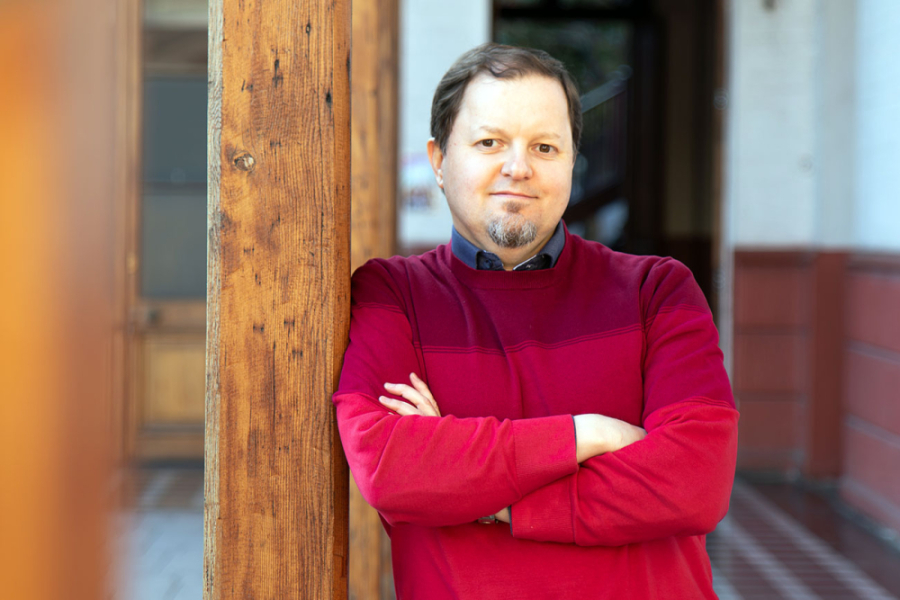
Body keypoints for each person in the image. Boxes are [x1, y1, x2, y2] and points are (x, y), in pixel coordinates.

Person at [333, 42, 738, 599]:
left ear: (572, 162)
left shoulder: (656, 291)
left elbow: (696, 482)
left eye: (545, 146)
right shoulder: (392, 295)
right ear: (439, 161)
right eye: (489, 142)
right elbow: (389, 467)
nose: (518, 167)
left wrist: (490, 497)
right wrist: (585, 434)